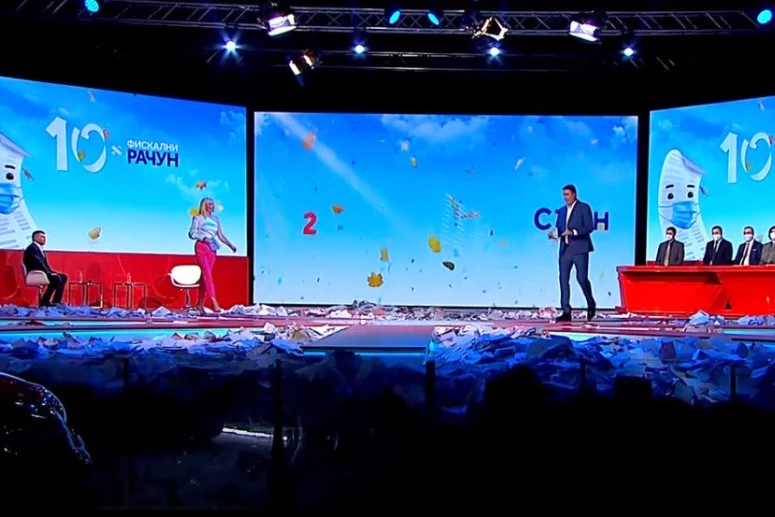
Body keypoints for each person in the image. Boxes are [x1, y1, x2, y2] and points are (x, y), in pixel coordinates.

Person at [547, 184, 596, 322]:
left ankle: (591, 303)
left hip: (580, 249)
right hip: (565, 250)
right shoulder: (562, 211)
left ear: (574, 194)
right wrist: (554, 234)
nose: (565, 197)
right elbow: (559, 228)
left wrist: (573, 232)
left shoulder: (584, 207)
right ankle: (566, 311)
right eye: (564, 195)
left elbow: (589, 227)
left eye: (567, 194)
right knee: (563, 279)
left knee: (581, 278)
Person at [188, 197, 237, 314]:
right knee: (207, 274)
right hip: (201, 247)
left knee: (205, 277)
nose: (212, 206)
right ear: (204, 205)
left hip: (212, 249)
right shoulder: (198, 218)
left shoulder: (216, 219)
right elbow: (192, 233)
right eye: (210, 204)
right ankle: (214, 302)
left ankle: (199, 304)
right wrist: (203, 238)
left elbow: (220, 235)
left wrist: (230, 245)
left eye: (213, 204)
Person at [22, 230, 68, 306]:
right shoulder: (32, 248)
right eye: (42, 237)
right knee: (56, 279)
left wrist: (51, 272)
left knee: (63, 277)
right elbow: (38, 263)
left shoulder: (39, 249)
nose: (44, 239)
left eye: (44, 237)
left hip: (42, 271)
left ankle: (55, 302)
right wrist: (49, 273)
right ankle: (46, 302)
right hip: (35, 273)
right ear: (35, 237)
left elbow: (45, 264)